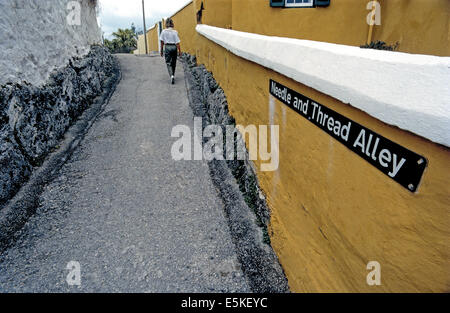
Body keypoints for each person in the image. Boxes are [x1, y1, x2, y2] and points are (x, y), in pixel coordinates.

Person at [160, 18, 181, 85]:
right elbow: (177, 43)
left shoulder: (163, 31)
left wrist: (161, 50)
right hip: (174, 47)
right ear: (172, 24)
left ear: (166, 24)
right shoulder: (175, 32)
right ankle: (173, 74)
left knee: (168, 62)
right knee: (174, 62)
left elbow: (162, 42)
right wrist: (180, 51)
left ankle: (171, 76)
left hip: (167, 47)